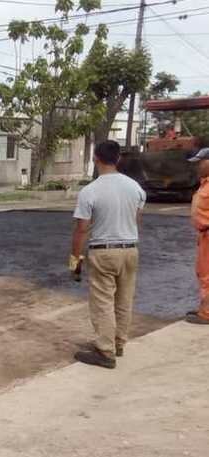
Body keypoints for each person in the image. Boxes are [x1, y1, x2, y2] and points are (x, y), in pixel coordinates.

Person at [70, 140, 146, 369]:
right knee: (124, 299)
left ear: (96, 158)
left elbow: (82, 229)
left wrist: (75, 261)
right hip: (130, 249)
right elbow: (137, 220)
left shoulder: (90, 191)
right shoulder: (135, 188)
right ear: (118, 159)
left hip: (104, 251)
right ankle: (118, 342)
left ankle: (105, 351)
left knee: (103, 301)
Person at [186, 148, 209, 325]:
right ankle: (205, 307)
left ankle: (207, 313)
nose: (197, 166)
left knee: (207, 275)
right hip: (204, 235)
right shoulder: (204, 184)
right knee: (203, 273)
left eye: (200, 162)